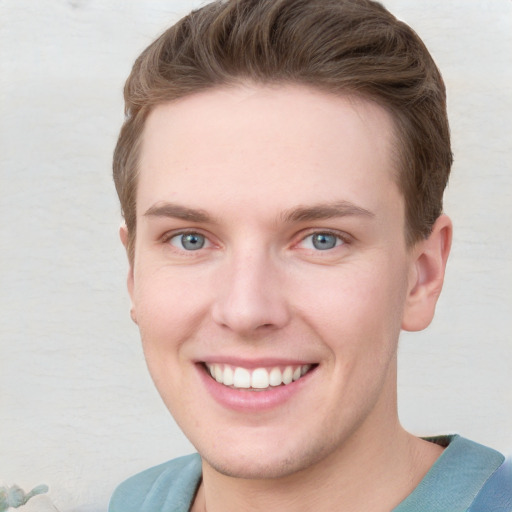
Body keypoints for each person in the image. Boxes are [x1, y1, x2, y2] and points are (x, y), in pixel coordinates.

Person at [108, 0, 511, 510]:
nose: (246, 310)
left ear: (421, 276)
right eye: (190, 239)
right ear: (133, 274)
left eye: (323, 239)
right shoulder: (130, 501)